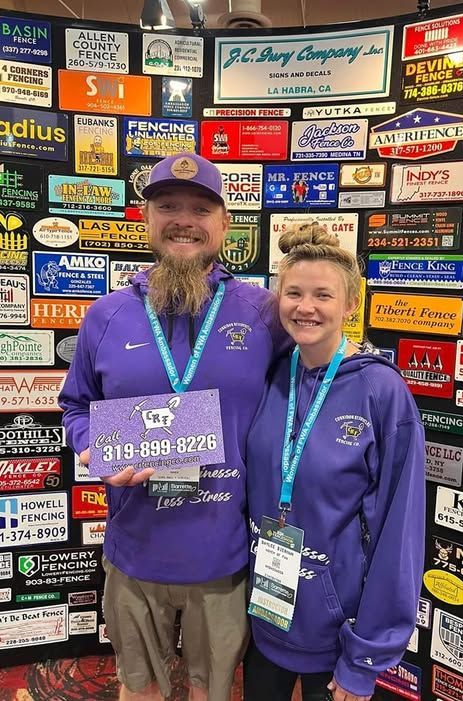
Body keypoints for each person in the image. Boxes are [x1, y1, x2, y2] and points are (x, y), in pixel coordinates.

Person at [59, 152, 287, 701]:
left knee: (212, 692)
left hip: (225, 553)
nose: (184, 220)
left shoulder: (264, 313)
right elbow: (76, 407)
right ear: (146, 218)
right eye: (168, 207)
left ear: (224, 223)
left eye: (200, 209)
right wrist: (92, 447)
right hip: (134, 551)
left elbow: (308, 396)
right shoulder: (106, 314)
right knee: (138, 690)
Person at [244, 223, 425, 701]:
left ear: (350, 305)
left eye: (323, 295)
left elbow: (398, 533)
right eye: (294, 293)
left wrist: (365, 658)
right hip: (264, 616)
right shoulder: (267, 375)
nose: (306, 307)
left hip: (336, 634)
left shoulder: (380, 392)